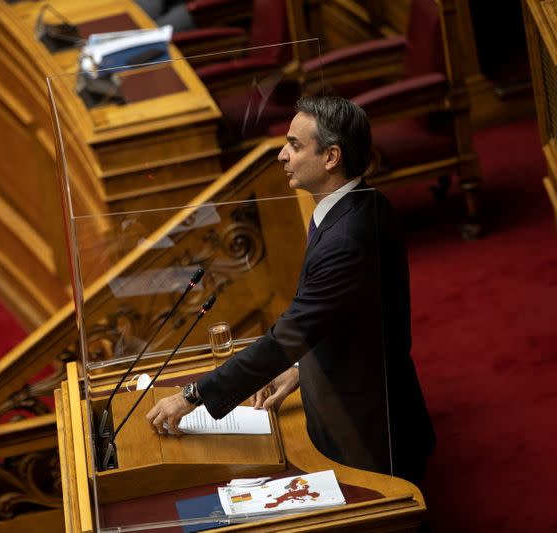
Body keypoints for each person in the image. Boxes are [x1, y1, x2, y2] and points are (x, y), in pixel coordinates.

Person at [145, 95, 435, 484]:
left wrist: (192, 395)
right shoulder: (359, 203)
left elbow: (293, 330)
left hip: (367, 433)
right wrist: (300, 369)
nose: (281, 155)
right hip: (358, 396)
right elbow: (346, 317)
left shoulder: (347, 237)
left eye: (295, 146)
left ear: (331, 157)